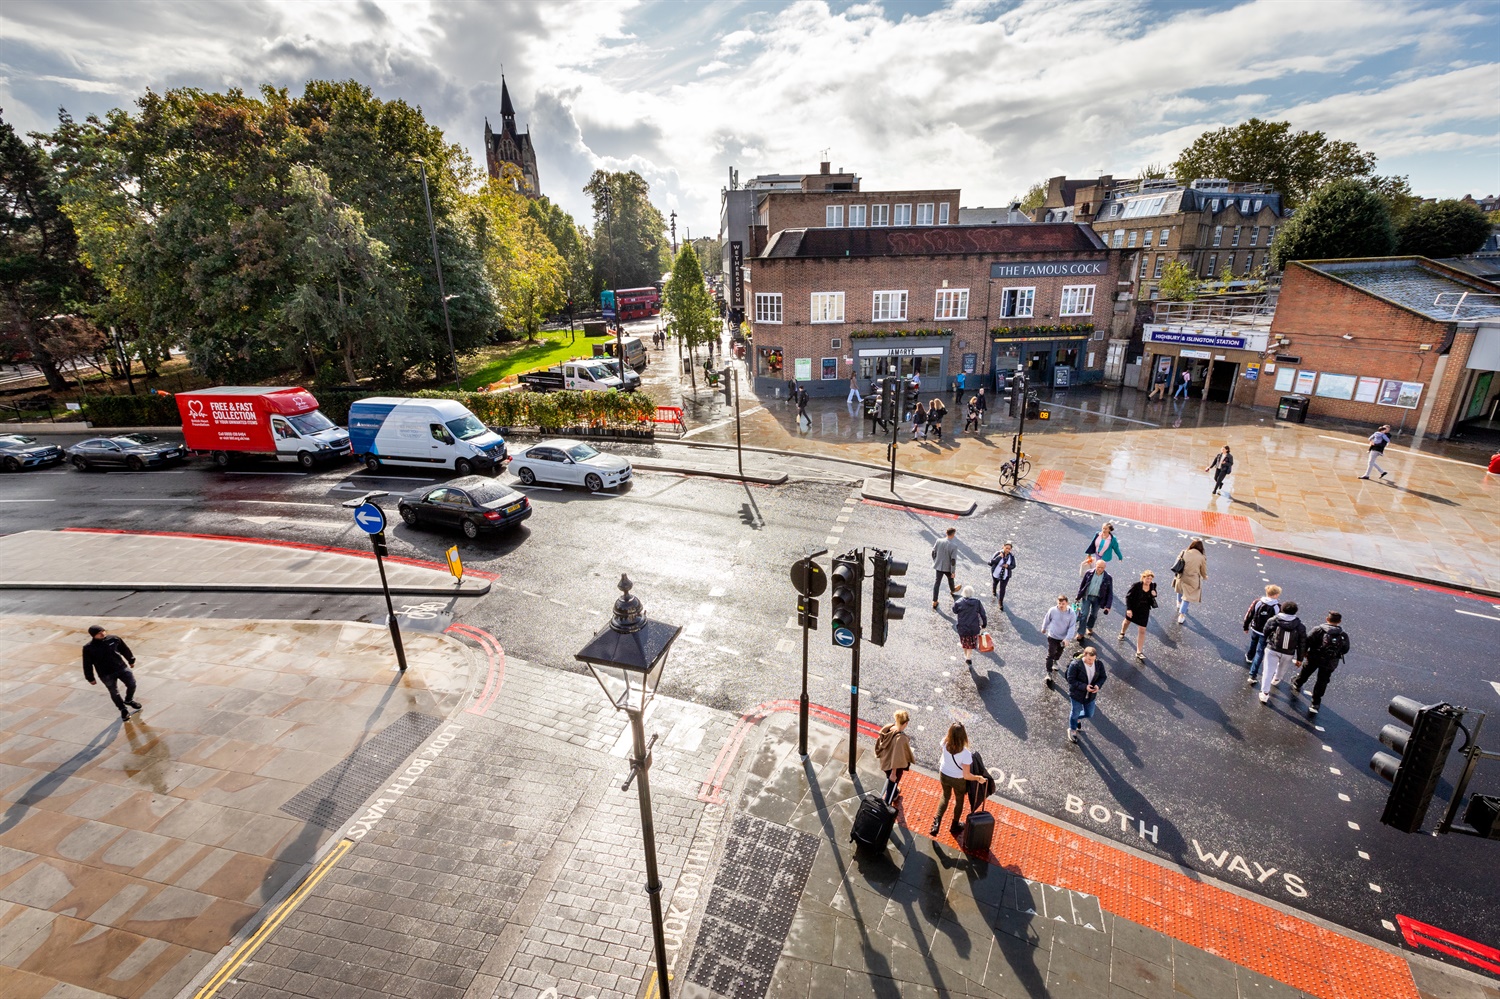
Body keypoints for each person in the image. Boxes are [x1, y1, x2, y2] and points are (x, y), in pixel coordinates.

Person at [929, 722, 986, 837]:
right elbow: (966, 775)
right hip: (958, 779)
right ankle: (954, 825)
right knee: (959, 800)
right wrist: (978, 778)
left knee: (945, 796)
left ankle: (937, 823)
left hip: (944, 774)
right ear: (964, 736)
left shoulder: (944, 742)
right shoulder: (966, 753)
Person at [1292, 612, 1351, 716]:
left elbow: (1307, 641)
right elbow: (1345, 649)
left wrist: (1303, 654)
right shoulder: (1343, 635)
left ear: (1327, 619)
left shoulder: (1318, 630)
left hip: (1314, 658)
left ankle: (1297, 684)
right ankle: (1315, 702)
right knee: (1322, 681)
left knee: (1306, 672)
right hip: (1330, 662)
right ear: (1339, 621)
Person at [82, 625, 142, 722]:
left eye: (103, 631)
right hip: (106, 674)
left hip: (121, 668)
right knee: (114, 692)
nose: (102, 633)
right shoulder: (88, 648)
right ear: (93, 635)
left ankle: (128, 700)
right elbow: (87, 664)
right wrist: (90, 678)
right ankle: (123, 709)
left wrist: (131, 660)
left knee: (132, 684)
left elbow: (124, 649)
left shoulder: (114, 639)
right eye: (99, 633)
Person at [1259, 600, 1307, 704]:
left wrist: (1265, 643)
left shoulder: (1274, 620)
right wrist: (1300, 658)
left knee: (1267, 671)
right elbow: (1302, 643)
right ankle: (1276, 679)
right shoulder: (1300, 626)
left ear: (1282, 609)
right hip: (1288, 652)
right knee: (1282, 668)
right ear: (1295, 611)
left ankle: (1265, 693)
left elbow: (1265, 632)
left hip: (1272, 649)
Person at [1065, 646, 1107, 745]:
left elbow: (1103, 677)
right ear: (1084, 655)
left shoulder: (1098, 664)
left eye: (1093, 659)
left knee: (1089, 714)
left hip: (1090, 695)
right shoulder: (1075, 665)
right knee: (1075, 712)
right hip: (1077, 694)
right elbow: (1071, 680)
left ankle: (1076, 719)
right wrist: (1084, 687)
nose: (1091, 662)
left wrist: (1098, 685)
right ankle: (1072, 729)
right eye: (1089, 659)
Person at [875, 710, 915, 804]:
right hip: (893, 767)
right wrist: (894, 773)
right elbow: (896, 758)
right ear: (905, 723)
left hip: (885, 760)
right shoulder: (900, 739)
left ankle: (895, 792)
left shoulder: (889, 728)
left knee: (891, 782)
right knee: (891, 784)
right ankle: (887, 804)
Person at [1242, 584, 1282, 681]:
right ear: (1276, 595)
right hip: (1266, 633)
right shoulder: (1277, 606)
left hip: (1255, 628)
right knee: (1260, 652)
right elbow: (1279, 621)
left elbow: (1249, 614)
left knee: (1253, 642)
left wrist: (1245, 626)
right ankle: (1252, 674)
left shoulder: (1258, 602)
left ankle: (1249, 656)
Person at [1118, 570, 1158, 662]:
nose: (1149, 581)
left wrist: (1154, 594)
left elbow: (1154, 594)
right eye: (1147, 578)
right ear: (1143, 577)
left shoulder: (1152, 585)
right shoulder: (1136, 585)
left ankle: (1139, 652)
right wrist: (1128, 609)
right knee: (1127, 621)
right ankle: (1122, 632)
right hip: (1134, 608)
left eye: (1150, 579)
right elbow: (1128, 597)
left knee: (1142, 630)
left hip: (1144, 609)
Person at [1074, 561, 1114, 641]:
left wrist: (1108, 606)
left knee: (1094, 614)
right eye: (1098, 567)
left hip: (1098, 599)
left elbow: (1110, 592)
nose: (1099, 569)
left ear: (1104, 568)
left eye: (1102, 568)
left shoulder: (1108, 577)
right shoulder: (1089, 573)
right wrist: (1078, 596)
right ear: (1095, 565)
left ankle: (1089, 627)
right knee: (1084, 615)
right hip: (1087, 596)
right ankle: (1081, 633)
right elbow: (1082, 585)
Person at [1171, 539, 1208, 624]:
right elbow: (1203, 571)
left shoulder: (1184, 552)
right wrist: (1205, 577)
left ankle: (1178, 603)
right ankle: (1181, 616)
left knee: (1180, 589)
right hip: (1192, 579)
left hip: (1181, 576)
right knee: (1187, 597)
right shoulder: (1202, 557)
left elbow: (1177, 562)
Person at [1041, 595, 1078, 678]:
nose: (1061, 605)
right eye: (1059, 603)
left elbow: (1072, 627)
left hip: (1063, 638)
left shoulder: (1071, 613)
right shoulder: (1053, 610)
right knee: (1051, 653)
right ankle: (1049, 673)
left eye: (1063, 603)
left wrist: (1067, 639)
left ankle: (1056, 660)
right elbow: (1047, 619)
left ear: (1067, 603)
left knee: (1059, 652)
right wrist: (1044, 628)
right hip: (1052, 636)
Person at [953, 585, 988, 668]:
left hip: (962, 627)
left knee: (964, 642)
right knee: (971, 643)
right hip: (973, 627)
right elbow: (983, 614)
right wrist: (984, 624)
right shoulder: (977, 602)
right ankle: (968, 657)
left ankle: (966, 656)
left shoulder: (958, 602)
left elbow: (954, 611)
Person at [931, 526, 960, 609]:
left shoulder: (938, 541)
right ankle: (952, 590)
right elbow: (953, 560)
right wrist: (953, 571)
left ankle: (934, 601)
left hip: (938, 566)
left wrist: (935, 561)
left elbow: (933, 552)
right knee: (951, 578)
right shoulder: (954, 546)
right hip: (947, 568)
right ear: (953, 534)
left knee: (937, 583)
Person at [989, 541, 1016, 608]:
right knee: (995, 582)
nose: (1007, 550)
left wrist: (1008, 566)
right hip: (996, 573)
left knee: (1003, 588)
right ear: (1003, 547)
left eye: (1009, 549)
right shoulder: (998, 553)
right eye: (1006, 548)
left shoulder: (1011, 556)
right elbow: (990, 562)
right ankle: (994, 589)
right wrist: (999, 557)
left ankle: (1000, 602)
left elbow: (1014, 565)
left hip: (1005, 575)